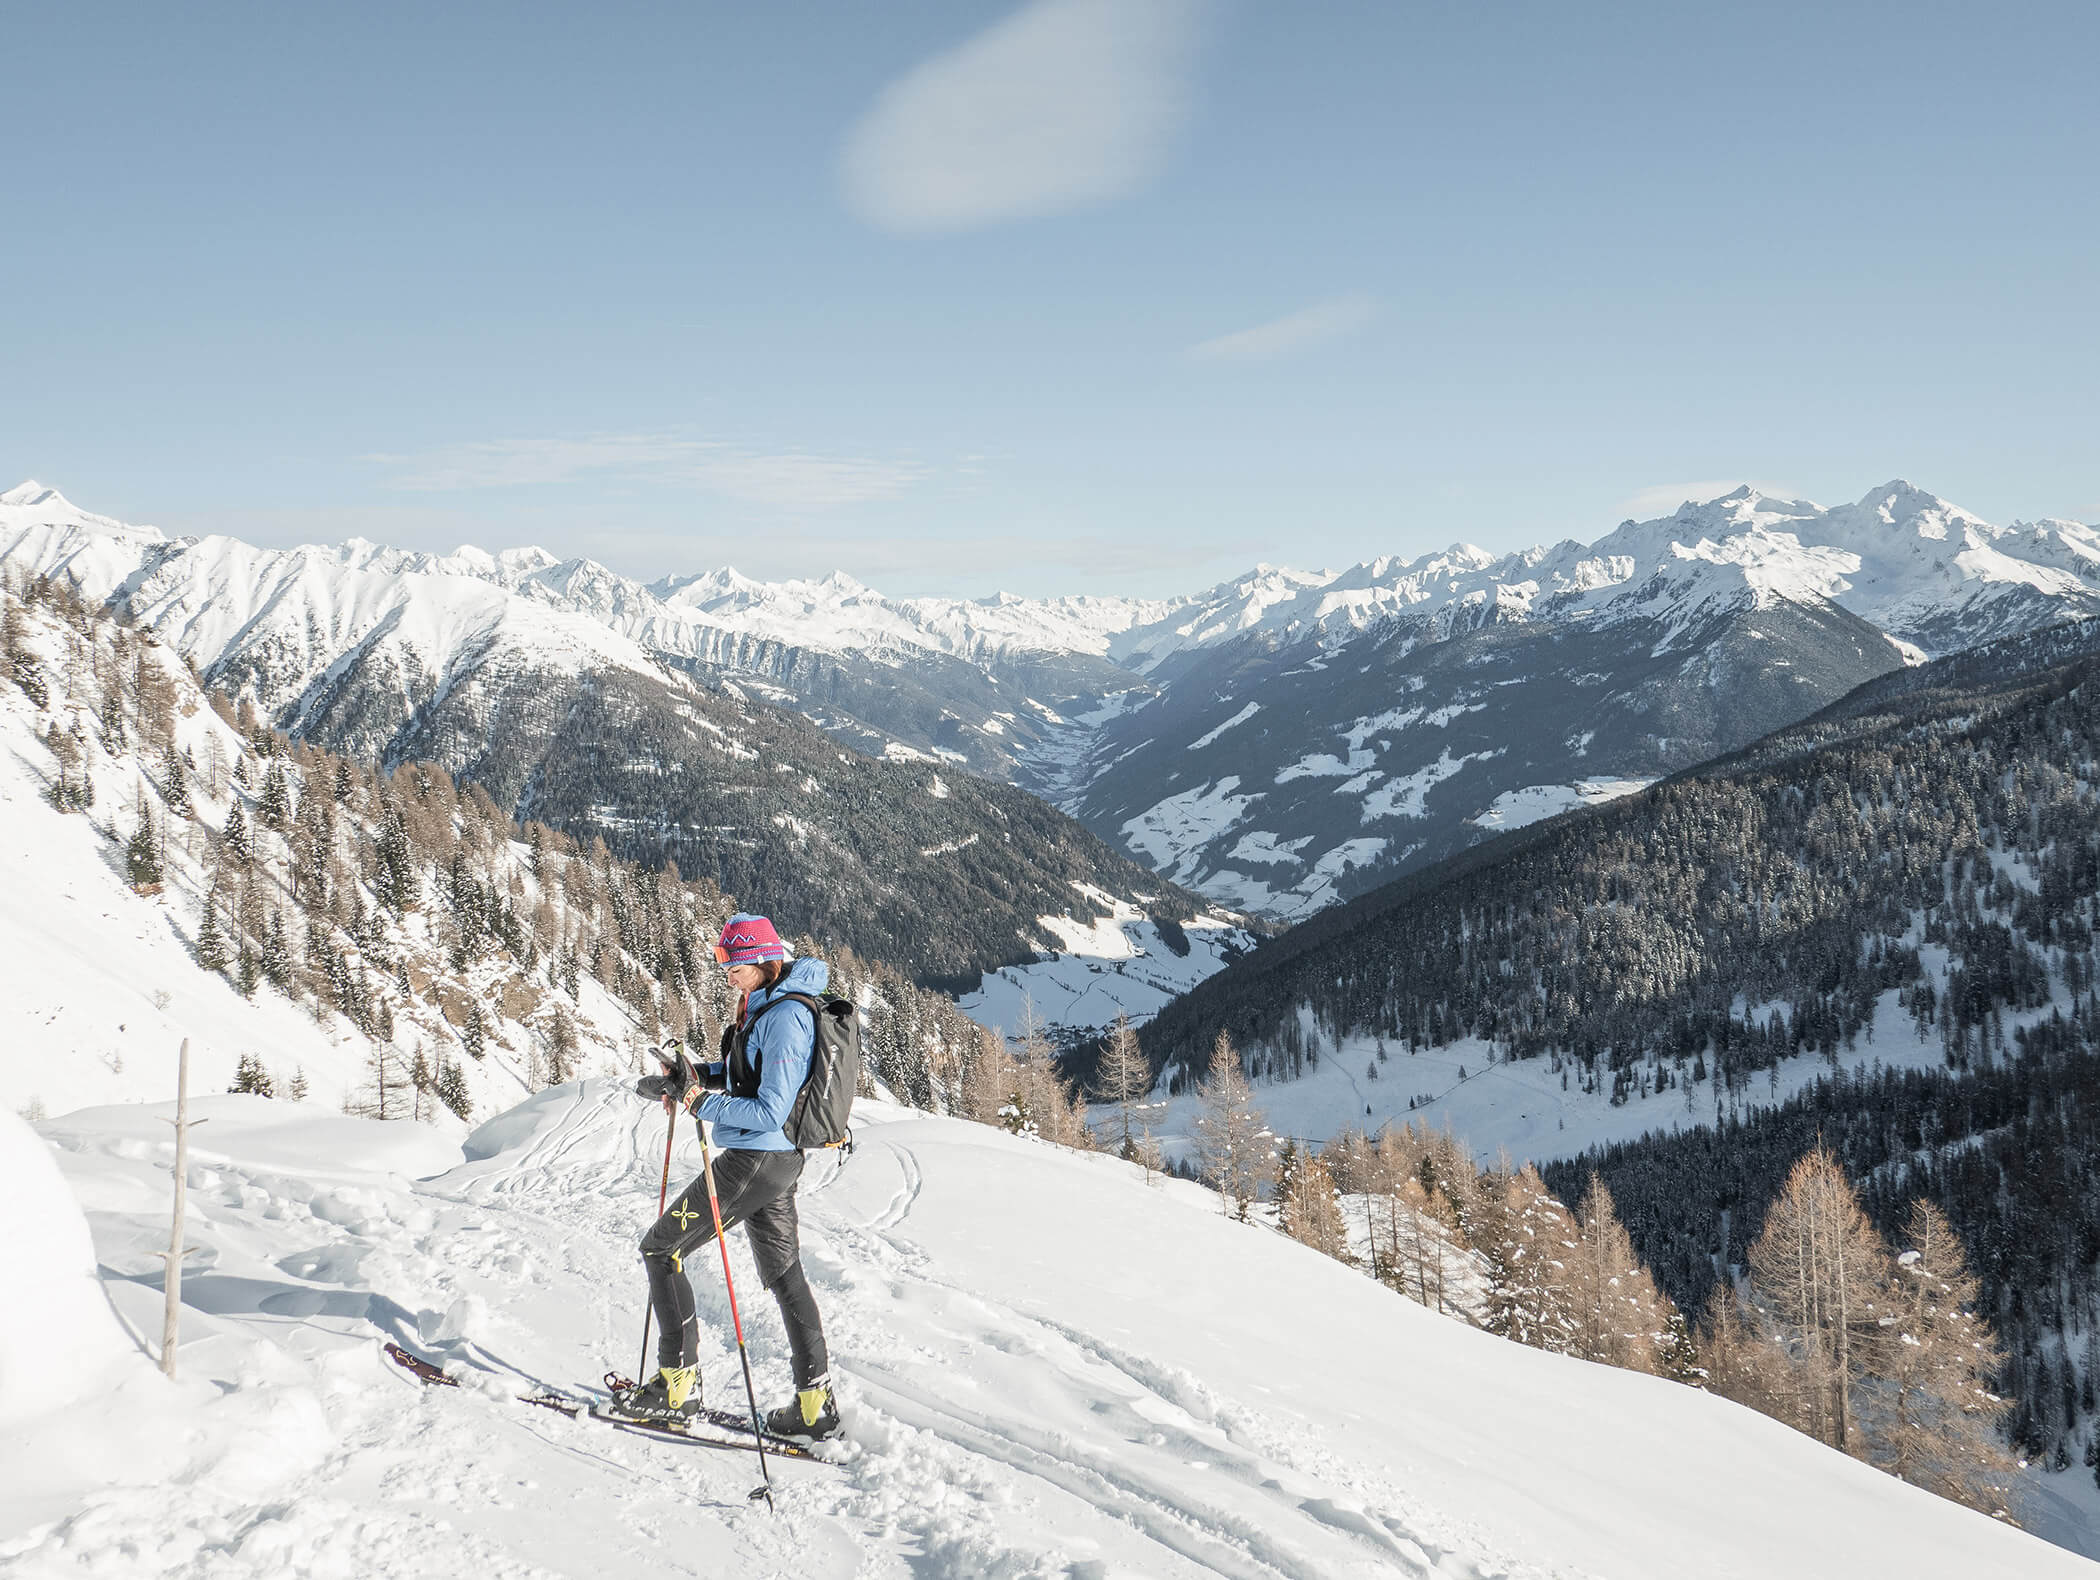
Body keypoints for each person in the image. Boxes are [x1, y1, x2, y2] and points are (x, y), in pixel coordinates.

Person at [623, 913, 840, 1441]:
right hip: (771, 1162)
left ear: (764, 962)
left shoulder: (788, 1017)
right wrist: (692, 1076)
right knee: (785, 1273)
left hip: (757, 1160)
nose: (727, 974)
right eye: (723, 962)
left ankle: (677, 1389)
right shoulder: (765, 1005)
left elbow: (769, 1109)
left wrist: (702, 1102)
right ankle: (814, 1407)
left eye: (734, 964)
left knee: (662, 1248)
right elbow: (747, 1070)